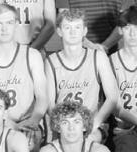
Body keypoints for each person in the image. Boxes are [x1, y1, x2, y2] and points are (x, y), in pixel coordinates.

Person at [0, 4, 47, 152]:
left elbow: (42, 97)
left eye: (9, 23)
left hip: (29, 122)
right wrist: (11, 126)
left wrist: (33, 121)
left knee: (27, 143)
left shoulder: (32, 55)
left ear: (17, 25)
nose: (4, 29)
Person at [44, 9, 120, 141]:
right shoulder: (51, 61)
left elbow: (112, 98)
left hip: (93, 124)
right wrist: (63, 127)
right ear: (59, 31)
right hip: (63, 126)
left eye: (77, 27)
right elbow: (50, 104)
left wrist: (92, 124)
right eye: (67, 27)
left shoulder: (98, 57)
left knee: (88, 142)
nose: (73, 32)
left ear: (84, 31)